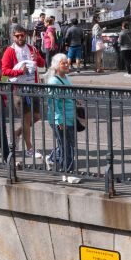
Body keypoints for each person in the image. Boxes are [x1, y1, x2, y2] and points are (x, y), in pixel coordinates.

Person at [1, 24, 45, 160]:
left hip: (33, 86)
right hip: (18, 89)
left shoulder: (32, 48)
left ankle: (16, 133)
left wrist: (36, 58)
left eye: (22, 35)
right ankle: (30, 148)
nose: (20, 38)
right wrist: (20, 71)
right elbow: (5, 71)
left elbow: (42, 64)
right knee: (26, 118)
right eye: (17, 36)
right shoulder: (9, 51)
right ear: (13, 37)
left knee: (37, 116)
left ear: (25, 35)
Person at [43, 54, 80, 183]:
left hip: (69, 116)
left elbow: (69, 93)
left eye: (66, 63)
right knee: (67, 145)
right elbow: (53, 103)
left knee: (64, 144)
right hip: (60, 118)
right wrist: (59, 120)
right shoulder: (54, 81)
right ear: (56, 66)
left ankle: (51, 159)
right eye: (63, 63)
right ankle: (67, 172)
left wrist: (76, 100)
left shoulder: (65, 77)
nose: (66, 65)